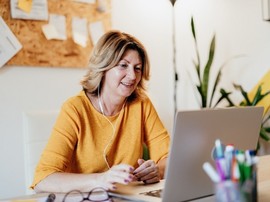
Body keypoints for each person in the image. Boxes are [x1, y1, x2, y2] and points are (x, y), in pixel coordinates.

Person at [31, 30, 170, 193]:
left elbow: (169, 159)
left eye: (137, 68)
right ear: (104, 66)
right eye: (123, 65)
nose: (132, 76)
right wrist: (101, 179)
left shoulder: (141, 104)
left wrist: (157, 170)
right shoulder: (75, 109)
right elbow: (43, 180)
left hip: (125, 198)